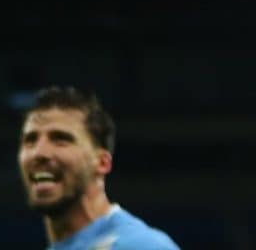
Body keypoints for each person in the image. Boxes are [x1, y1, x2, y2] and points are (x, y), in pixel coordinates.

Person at [18, 86, 180, 250]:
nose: (39, 153)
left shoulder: (141, 245)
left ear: (102, 163)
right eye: (30, 140)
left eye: (60, 139)